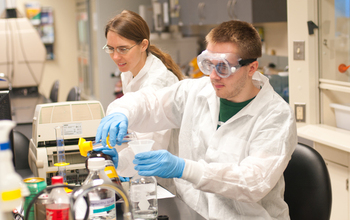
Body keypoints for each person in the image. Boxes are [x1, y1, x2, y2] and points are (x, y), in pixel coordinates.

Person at [96, 20, 297, 220]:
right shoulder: (198, 91)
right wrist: (121, 112)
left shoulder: (276, 115)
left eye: (224, 67)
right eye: (209, 65)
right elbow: (151, 102)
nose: (214, 76)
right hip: (192, 212)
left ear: (251, 68)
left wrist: (184, 168)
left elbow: (252, 182)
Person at [99, 10, 184, 181]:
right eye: (111, 48)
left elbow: (150, 147)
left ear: (143, 45)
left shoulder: (159, 81)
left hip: (165, 177)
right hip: (144, 168)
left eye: (123, 49)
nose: (116, 56)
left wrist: (122, 163)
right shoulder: (129, 72)